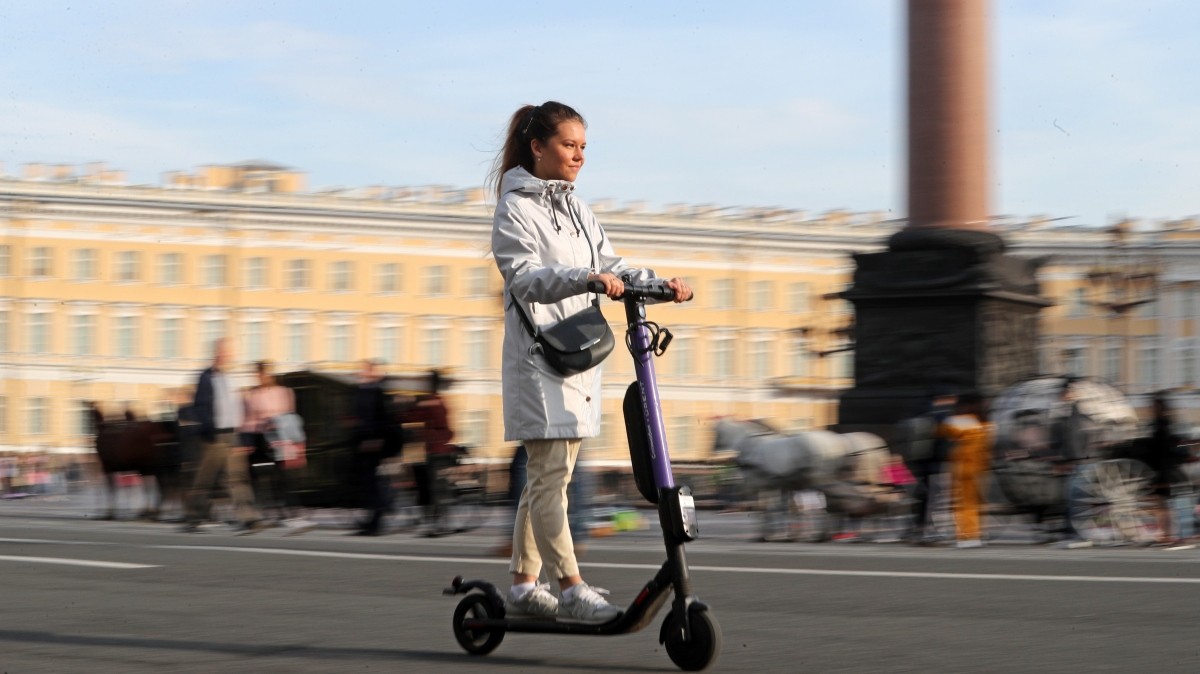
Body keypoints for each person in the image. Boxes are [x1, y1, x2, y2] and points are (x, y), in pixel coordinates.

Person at [490, 101, 693, 622]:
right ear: (539, 147)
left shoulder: (578, 208)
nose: (578, 155)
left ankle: (520, 584)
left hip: (578, 356)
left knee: (547, 477)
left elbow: (611, 263)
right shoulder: (516, 208)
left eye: (583, 147)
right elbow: (524, 278)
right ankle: (571, 585)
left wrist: (661, 282)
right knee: (550, 476)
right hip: (539, 357)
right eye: (568, 145)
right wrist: (584, 279)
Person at [182, 338, 265, 534]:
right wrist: (208, 429)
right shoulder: (205, 377)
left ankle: (248, 517)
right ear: (218, 354)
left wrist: (241, 434)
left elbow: (236, 406)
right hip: (214, 436)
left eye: (231, 353)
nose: (230, 356)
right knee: (204, 479)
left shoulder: (230, 378)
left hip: (232, 435)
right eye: (227, 352)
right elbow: (200, 406)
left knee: (237, 478)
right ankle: (193, 517)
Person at [242, 361, 315, 535]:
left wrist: (273, 421)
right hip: (260, 438)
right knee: (256, 477)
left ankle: (291, 515)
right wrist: (247, 440)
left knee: (284, 477)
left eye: (264, 374)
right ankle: (263, 513)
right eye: (258, 374)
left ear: (270, 375)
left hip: (280, 438)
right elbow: (249, 419)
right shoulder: (252, 394)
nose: (261, 377)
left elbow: (289, 416)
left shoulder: (284, 392)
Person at [899, 389, 956, 544]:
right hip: (935, 465)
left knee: (923, 498)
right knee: (933, 500)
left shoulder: (920, 413)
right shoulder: (941, 416)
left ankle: (917, 529)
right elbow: (945, 441)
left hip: (918, 463)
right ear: (941, 398)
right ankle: (927, 532)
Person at [938, 392, 992, 549]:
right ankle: (977, 533)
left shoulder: (957, 421)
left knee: (963, 504)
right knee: (977, 503)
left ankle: (966, 534)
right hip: (981, 467)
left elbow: (942, 431)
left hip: (962, 468)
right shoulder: (985, 423)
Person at [409, 369, 457, 536]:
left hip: (435, 452)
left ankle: (436, 525)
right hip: (440, 450)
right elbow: (448, 429)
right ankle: (437, 523)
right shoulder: (439, 402)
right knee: (437, 488)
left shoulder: (431, 402)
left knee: (433, 489)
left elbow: (413, 417)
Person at [1142, 392, 1192, 547]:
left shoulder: (1160, 425)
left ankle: (1168, 534)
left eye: (1152, 405)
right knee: (1163, 504)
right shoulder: (1167, 423)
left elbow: (1160, 450)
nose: (1150, 408)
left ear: (1158, 407)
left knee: (1162, 504)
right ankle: (1168, 534)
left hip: (1162, 470)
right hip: (1166, 469)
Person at [350, 359, 393, 536]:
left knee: (372, 483)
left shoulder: (377, 392)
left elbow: (381, 418)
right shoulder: (363, 391)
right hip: (363, 442)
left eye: (366, 370)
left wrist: (375, 439)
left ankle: (375, 522)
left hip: (372, 443)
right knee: (367, 483)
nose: (362, 372)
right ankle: (371, 521)